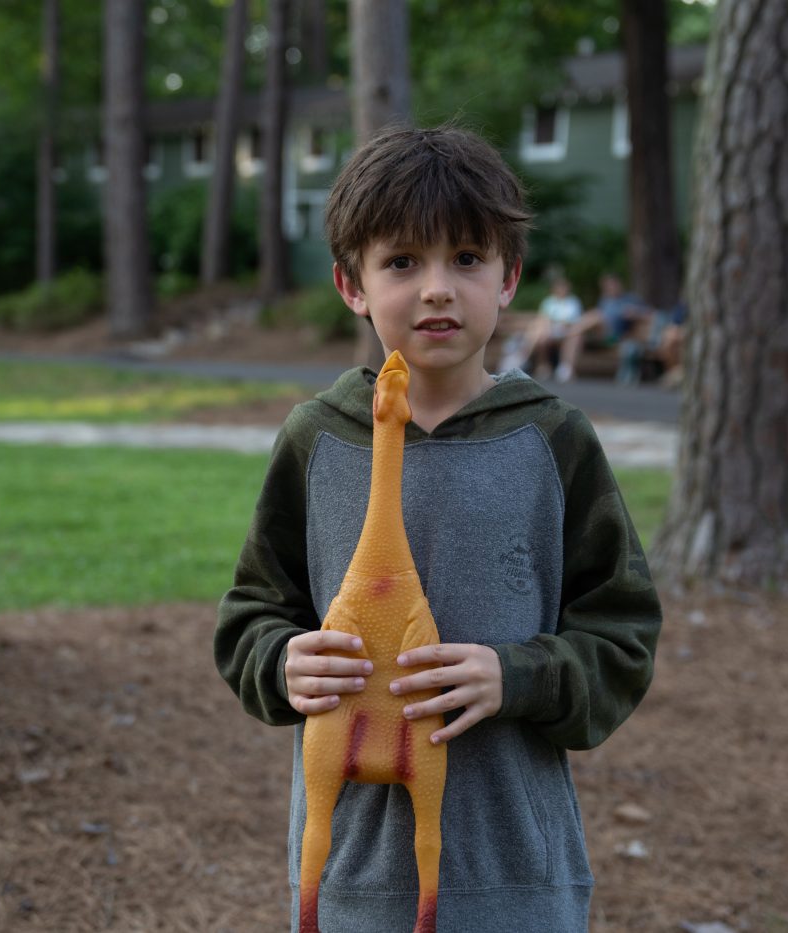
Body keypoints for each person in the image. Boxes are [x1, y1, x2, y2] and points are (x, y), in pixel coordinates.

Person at [214, 126, 662, 933]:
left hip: (517, 881)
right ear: (351, 284)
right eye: (401, 262)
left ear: (508, 277)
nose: (436, 289)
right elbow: (251, 614)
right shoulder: (316, 440)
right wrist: (281, 661)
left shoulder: (554, 440)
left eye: (465, 258)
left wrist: (517, 676)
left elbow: (622, 636)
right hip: (352, 884)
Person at [506, 274, 584, 381]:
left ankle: (565, 367)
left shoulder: (573, 302)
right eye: (559, 287)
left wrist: (555, 323)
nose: (561, 289)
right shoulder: (549, 302)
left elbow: (574, 323)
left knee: (574, 336)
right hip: (549, 332)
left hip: (567, 333)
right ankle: (542, 366)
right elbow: (544, 319)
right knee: (541, 336)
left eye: (563, 287)